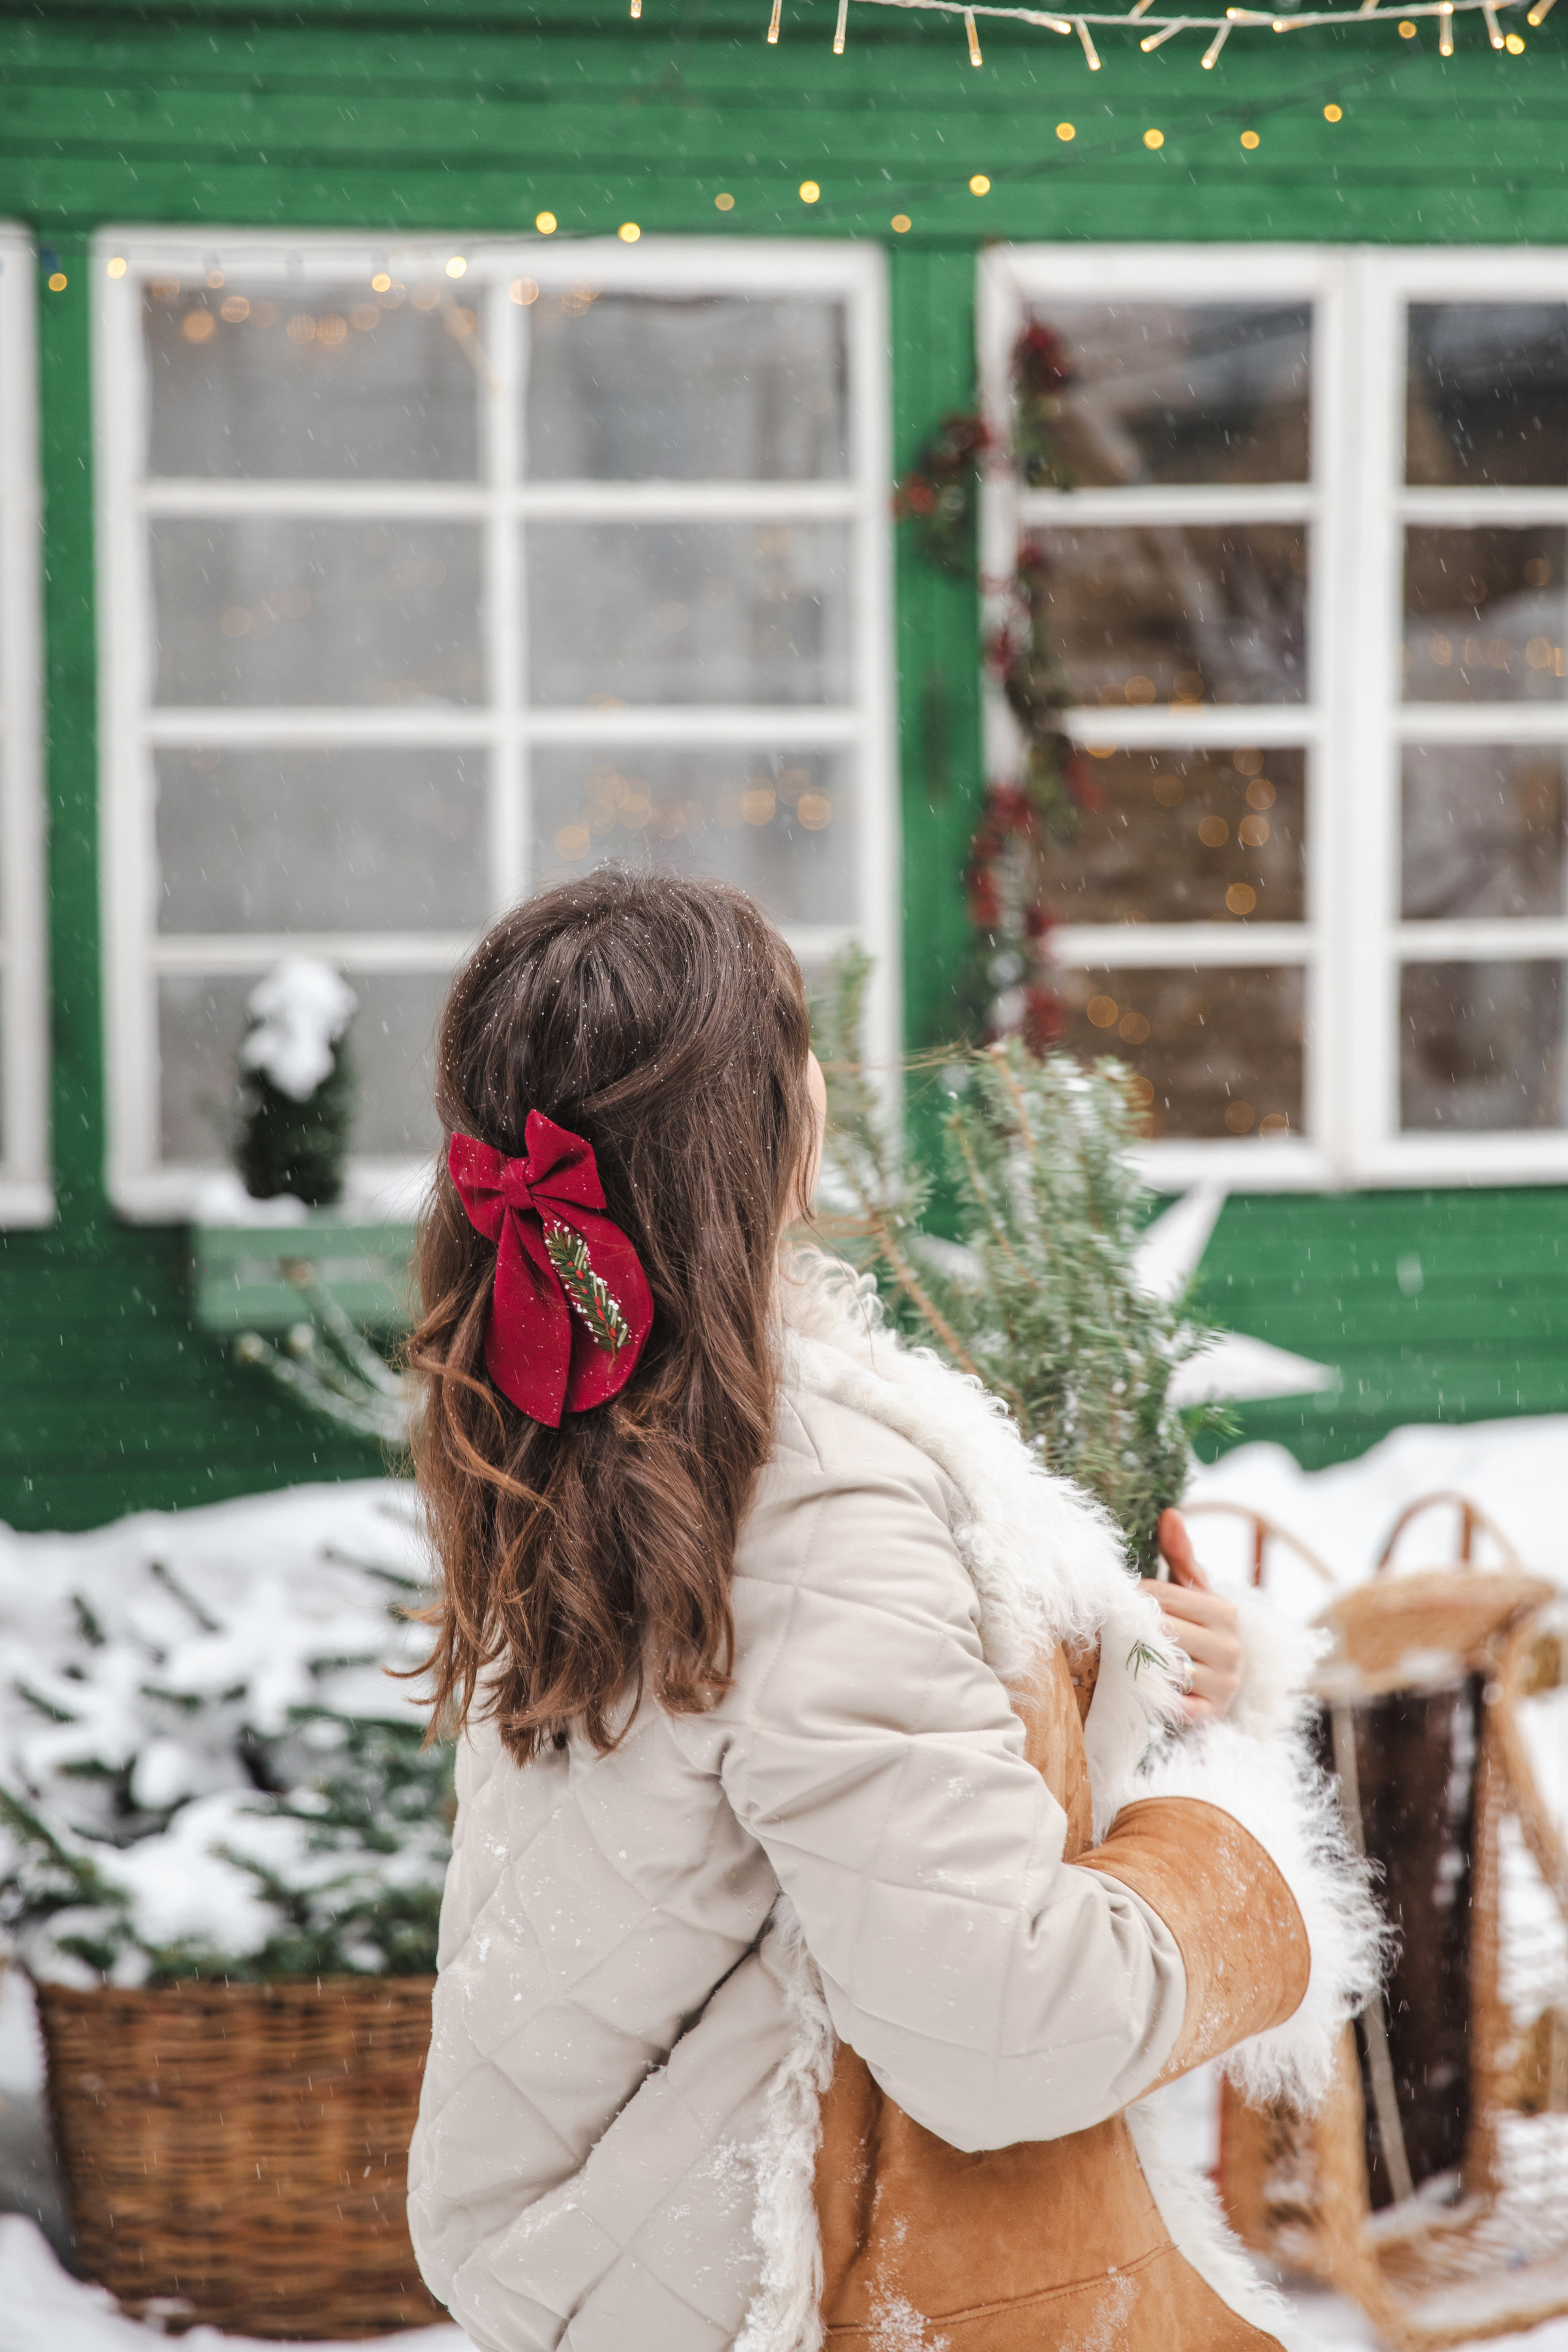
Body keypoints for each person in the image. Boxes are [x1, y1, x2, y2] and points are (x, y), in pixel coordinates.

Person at [406, 869, 1380, 2352]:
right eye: (797, 1050)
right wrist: (1238, 1844)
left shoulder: (597, 1423)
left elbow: (763, 1786)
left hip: (615, 2246)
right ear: (766, 1131)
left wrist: (1129, 1671)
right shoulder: (812, 1490)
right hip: (763, 2274)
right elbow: (1005, 2030)